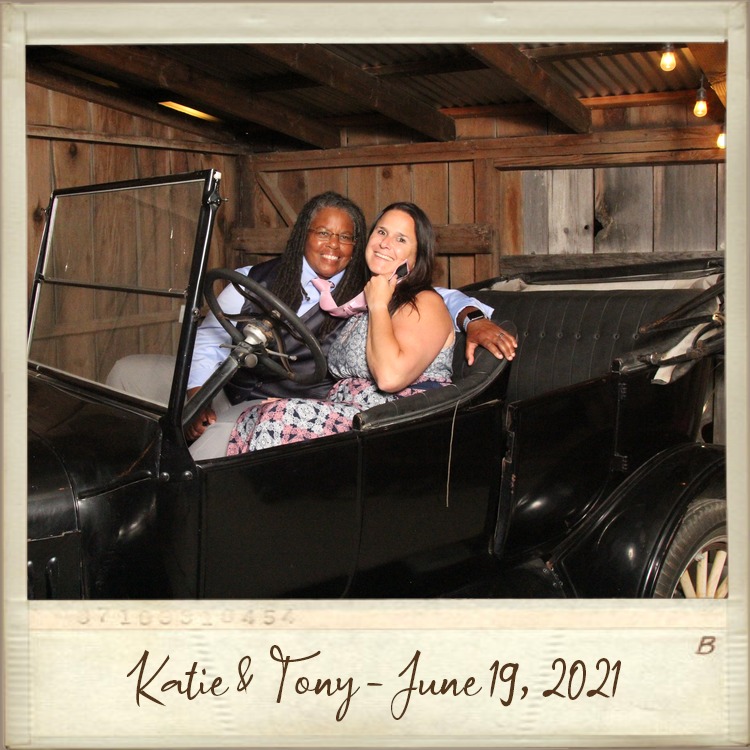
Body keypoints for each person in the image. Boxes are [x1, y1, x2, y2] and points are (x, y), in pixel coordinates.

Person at [186, 191, 516, 458]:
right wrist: (197, 394)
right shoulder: (256, 280)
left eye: (345, 237)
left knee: (252, 426)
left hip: (388, 421)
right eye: (382, 232)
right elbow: (208, 340)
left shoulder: (376, 292)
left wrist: (473, 319)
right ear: (303, 235)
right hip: (255, 393)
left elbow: (438, 299)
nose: (333, 245)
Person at [226, 201, 455, 453]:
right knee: (254, 416)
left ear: (418, 254)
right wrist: (297, 402)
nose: (385, 243)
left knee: (278, 418)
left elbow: (390, 378)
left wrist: (379, 305)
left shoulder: (424, 303)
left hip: (398, 424)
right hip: (352, 415)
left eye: (401, 239)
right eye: (381, 232)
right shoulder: (366, 299)